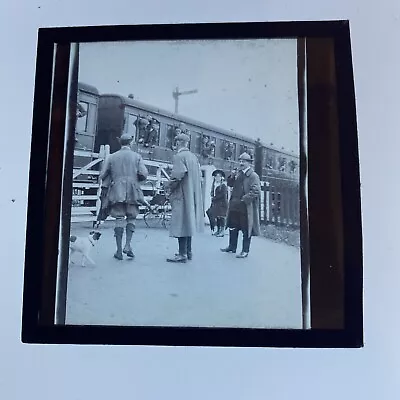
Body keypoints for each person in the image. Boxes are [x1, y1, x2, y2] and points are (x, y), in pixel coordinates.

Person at [99, 134, 148, 260]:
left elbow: (102, 174)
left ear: (120, 143)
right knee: (131, 218)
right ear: (130, 143)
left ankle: (119, 251)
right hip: (133, 190)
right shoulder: (137, 156)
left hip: (117, 191)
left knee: (119, 218)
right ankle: (127, 245)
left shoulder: (112, 157)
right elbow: (144, 174)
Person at [165, 133, 204, 263]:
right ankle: (188, 251)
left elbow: (177, 175)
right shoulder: (193, 157)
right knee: (188, 222)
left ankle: (182, 254)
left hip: (181, 194)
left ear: (178, 143)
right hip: (191, 193)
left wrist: (169, 187)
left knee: (181, 223)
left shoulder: (179, 157)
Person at [220, 152, 261, 258]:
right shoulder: (239, 174)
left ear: (249, 163)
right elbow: (230, 184)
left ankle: (245, 250)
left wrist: (244, 199)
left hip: (245, 207)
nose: (241, 163)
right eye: (240, 161)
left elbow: (256, 191)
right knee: (233, 226)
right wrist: (232, 175)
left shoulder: (253, 175)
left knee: (246, 228)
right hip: (234, 205)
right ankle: (232, 247)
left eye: (244, 161)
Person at [206, 169, 228, 237]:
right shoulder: (214, 184)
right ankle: (218, 230)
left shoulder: (223, 186)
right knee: (217, 217)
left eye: (218, 176)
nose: (217, 178)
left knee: (221, 217)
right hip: (216, 204)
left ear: (221, 178)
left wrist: (215, 198)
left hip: (221, 204)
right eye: (216, 176)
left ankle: (222, 231)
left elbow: (223, 195)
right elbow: (212, 193)